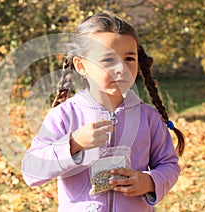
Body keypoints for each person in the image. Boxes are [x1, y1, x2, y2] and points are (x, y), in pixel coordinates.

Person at [22, 12, 185, 212]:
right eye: (108, 59)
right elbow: (31, 172)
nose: (121, 68)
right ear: (81, 65)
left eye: (129, 58)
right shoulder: (65, 115)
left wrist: (150, 181)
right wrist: (73, 144)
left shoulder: (148, 117)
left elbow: (169, 164)